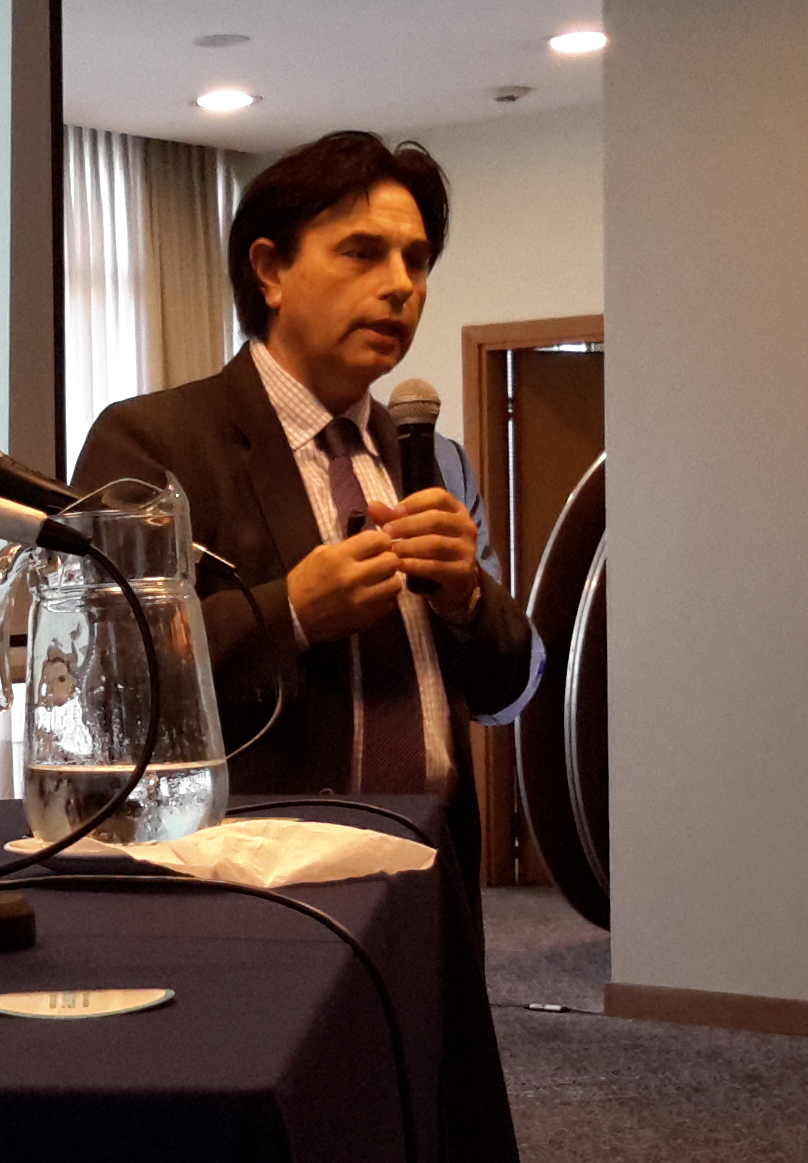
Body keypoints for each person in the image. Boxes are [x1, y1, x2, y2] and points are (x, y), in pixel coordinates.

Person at [73, 131, 534, 814]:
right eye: (363, 253)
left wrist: (467, 600)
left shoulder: (438, 461)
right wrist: (288, 612)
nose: (401, 286)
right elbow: (107, 676)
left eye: (416, 261)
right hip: (246, 868)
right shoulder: (153, 445)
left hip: (431, 864)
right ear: (270, 272)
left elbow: (511, 690)